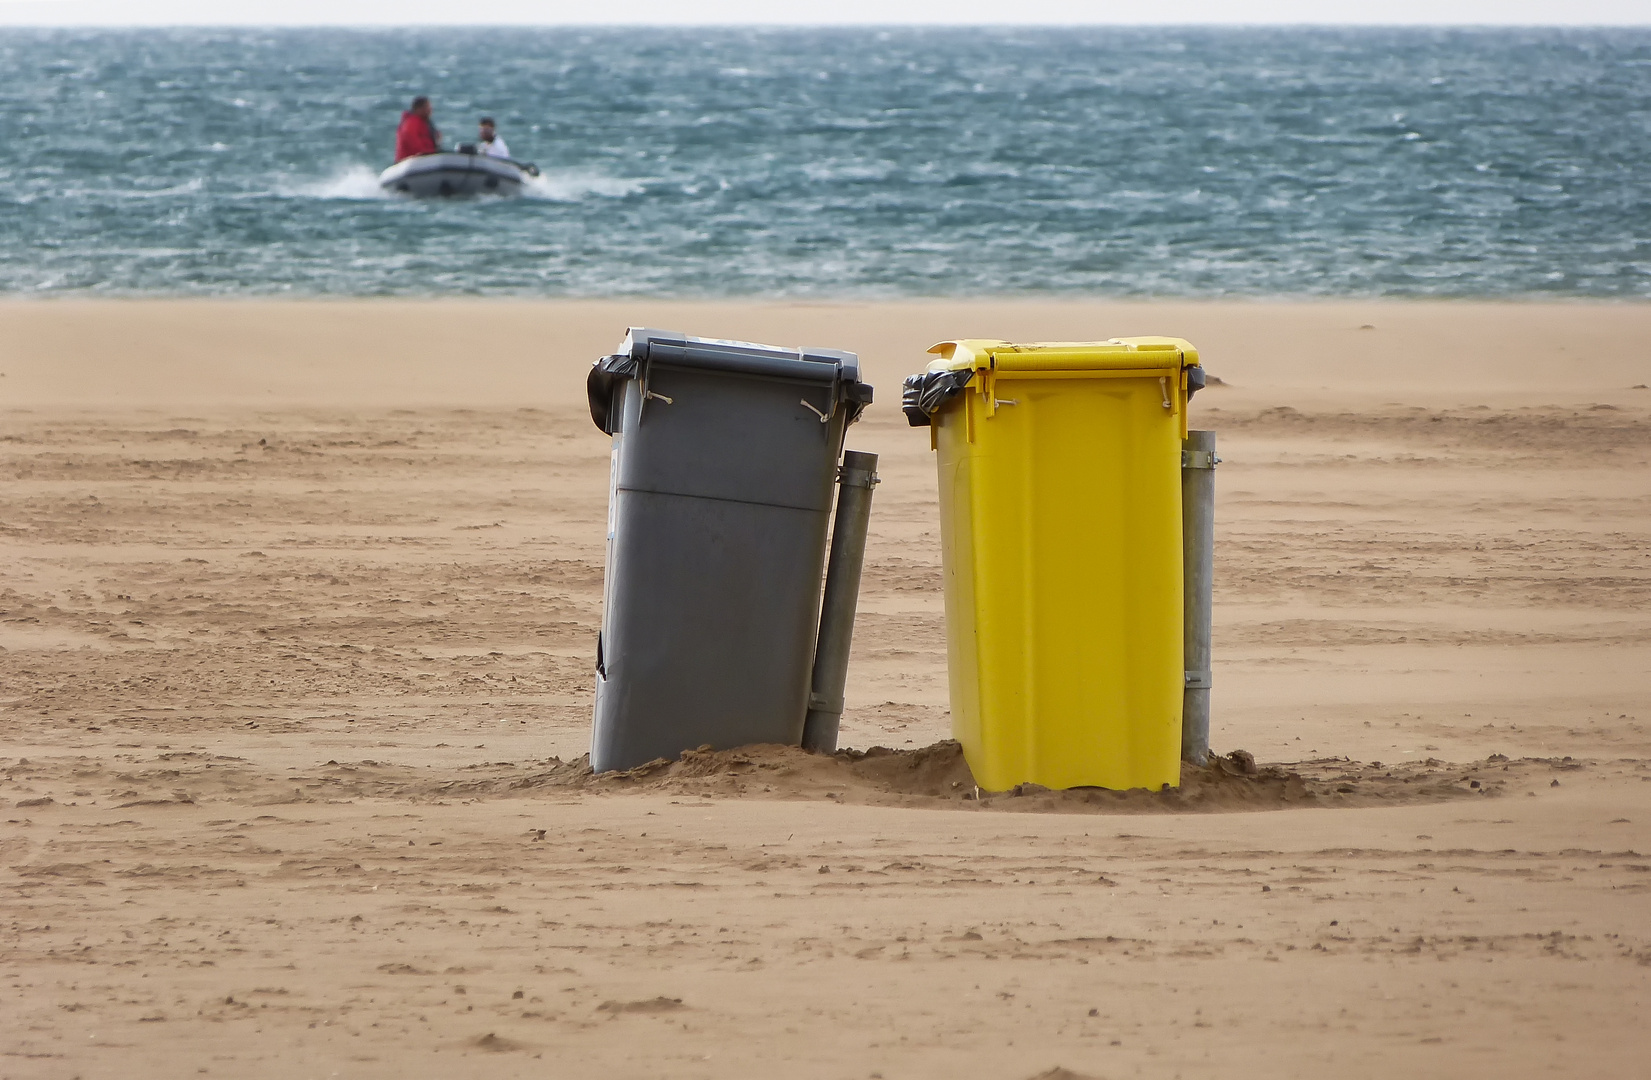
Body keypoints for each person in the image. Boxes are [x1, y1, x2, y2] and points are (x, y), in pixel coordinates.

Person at [394, 96, 440, 162]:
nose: (430, 110)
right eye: (427, 107)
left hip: (425, 159)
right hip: (410, 161)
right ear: (419, 109)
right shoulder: (411, 123)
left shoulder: (424, 124)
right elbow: (414, 145)